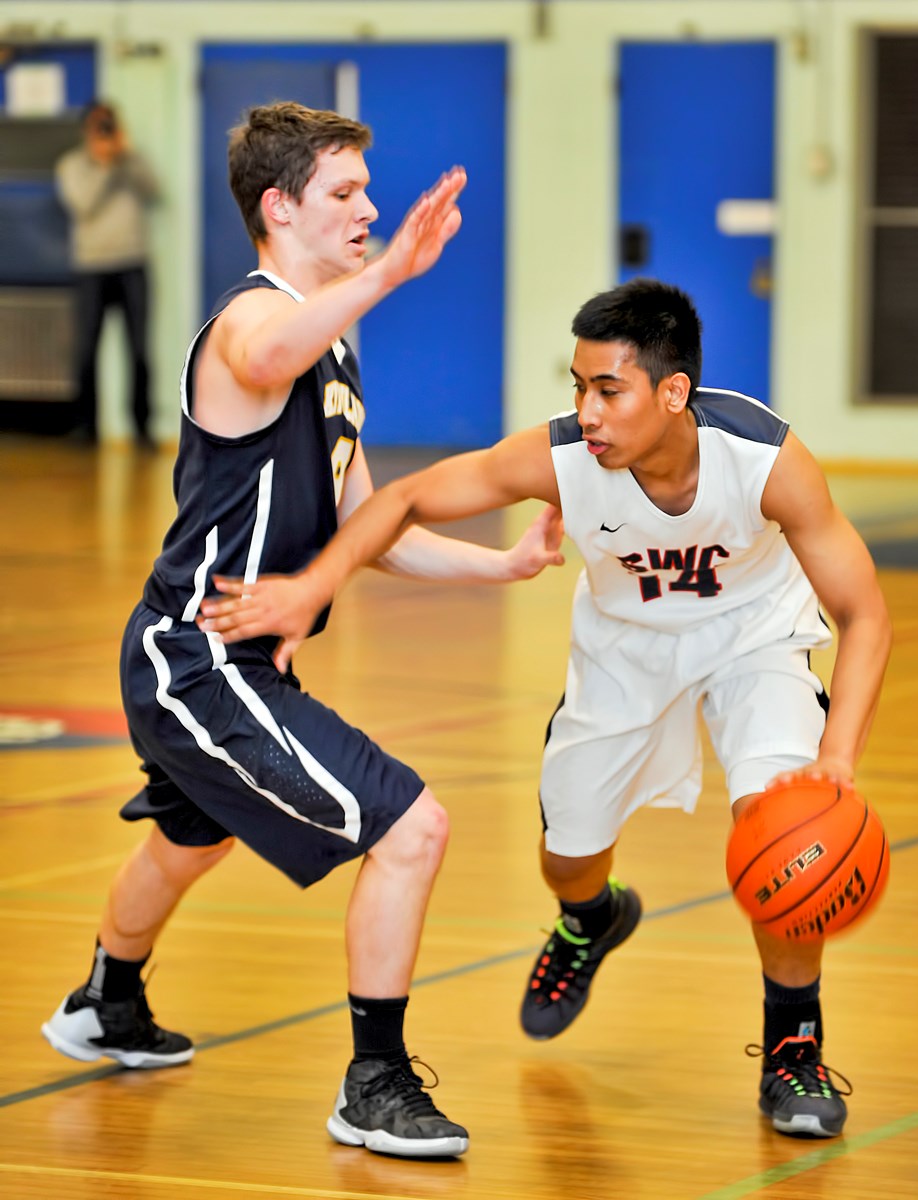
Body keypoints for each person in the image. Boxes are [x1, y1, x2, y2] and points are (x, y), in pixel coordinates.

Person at [199, 277, 892, 1141]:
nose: (586, 411)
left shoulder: (764, 458)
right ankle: (590, 918)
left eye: (608, 390)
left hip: (754, 644)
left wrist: (835, 761)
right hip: (621, 655)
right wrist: (313, 584)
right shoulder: (560, 456)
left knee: (778, 834)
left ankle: (794, 1047)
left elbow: (864, 615)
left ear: (672, 393)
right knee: (567, 858)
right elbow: (407, 498)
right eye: (577, 387)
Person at [41, 102, 565, 1159]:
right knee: (411, 827)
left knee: (194, 835)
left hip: (219, 659)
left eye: (368, 193)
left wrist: (498, 566)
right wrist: (389, 273)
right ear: (278, 209)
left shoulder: (330, 349)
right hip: (197, 657)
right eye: (343, 194)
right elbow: (266, 353)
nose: (370, 209)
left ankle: (105, 1000)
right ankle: (373, 1084)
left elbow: (365, 526)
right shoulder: (254, 325)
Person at [55, 100, 159, 447]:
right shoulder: (71, 165)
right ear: (86, 130)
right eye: (99, 126)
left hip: (133, 264)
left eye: (109, 125)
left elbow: (154, 190)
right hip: (91, 268)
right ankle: (87, 429)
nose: (105, 133)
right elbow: (83, 206)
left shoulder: (131, 160)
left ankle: (141, 428)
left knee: (139, 350)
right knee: (86, 350)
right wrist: (103, 165)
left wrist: (126, 157)